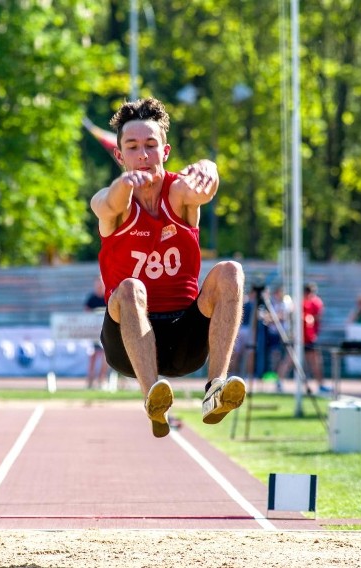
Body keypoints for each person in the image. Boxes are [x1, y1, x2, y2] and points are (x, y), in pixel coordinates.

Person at [90, 97, 246, 438]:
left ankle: (216, 388)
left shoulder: (178, 193)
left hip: (185, 339)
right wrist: (125, 184)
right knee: (131, 288)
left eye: (150, 145)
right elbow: (109, 203)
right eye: (132, 147)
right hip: (127, 343)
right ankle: (153, 398)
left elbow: (201, 192)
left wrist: (210, 168)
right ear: (119, 155)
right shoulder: (110, 201)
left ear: (165, 151)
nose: (142, 155)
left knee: (231, 271)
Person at [84, 275, 109, 389]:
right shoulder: (91, 299)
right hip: (93, 333)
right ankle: (90, 380)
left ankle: (102, 379)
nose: (99, 285)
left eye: (101, 283)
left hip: (106, 333)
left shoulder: (108, 298)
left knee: (105, 356)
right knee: (93, 356)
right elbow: (86, 314)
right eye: (97, 283)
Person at [302, 282, 327, 393]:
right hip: (302, 337)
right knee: (290, 360)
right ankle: (279, 381)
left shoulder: (315, 302)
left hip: (310, 336)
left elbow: (318, 317)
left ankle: (320, 384)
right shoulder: (302, 302)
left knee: (315, 361)